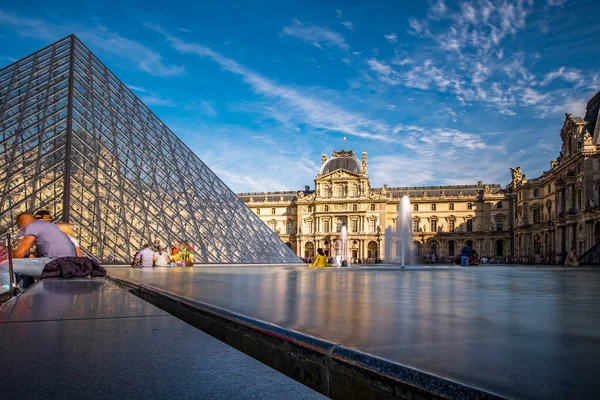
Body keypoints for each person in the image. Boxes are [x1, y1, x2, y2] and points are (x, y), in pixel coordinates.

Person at [0, 213, 77, 291]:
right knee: (24, 269)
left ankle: (8, 296)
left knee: (5, 266)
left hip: (54, 262)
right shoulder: (50, 226)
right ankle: (25, 294)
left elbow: (19, 254)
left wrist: (11, 250)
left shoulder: (32, 226)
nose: (20, 230)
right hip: (68, 264)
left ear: (21, 222)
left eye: (19, 227)